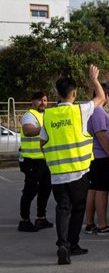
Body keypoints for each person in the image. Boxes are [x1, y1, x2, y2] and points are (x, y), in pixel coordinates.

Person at [40, 65, 106, 265]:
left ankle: (62, 244)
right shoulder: (79, 111)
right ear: (74, 94)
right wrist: (94, 80)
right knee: (78, 208)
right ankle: (73, 244)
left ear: (58, 94)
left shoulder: (49, 115)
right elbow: (101, 98)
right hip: (78, 172)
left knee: (62, 207)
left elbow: (43, 142)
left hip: (57, 172)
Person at [83, 83, 109, 235]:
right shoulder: (97, 111)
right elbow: (101, 134)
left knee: (92, 190)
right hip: (101, 156)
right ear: (106, 95)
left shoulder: (90, 110)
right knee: (102, 191)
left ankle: (90, 223)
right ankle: (103, 225)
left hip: (94, 156)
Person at [17, 91, 53, 232]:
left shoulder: (47, 115)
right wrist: (46, 128)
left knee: (45, 190)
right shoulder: (29, 115)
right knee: (30, 191)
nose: (43, 102)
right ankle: (24, 220)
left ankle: (41, 218)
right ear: (33, 102)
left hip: (45, 160)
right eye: (39, 100)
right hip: (31, 161)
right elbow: (28, 130)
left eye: (45, 100)